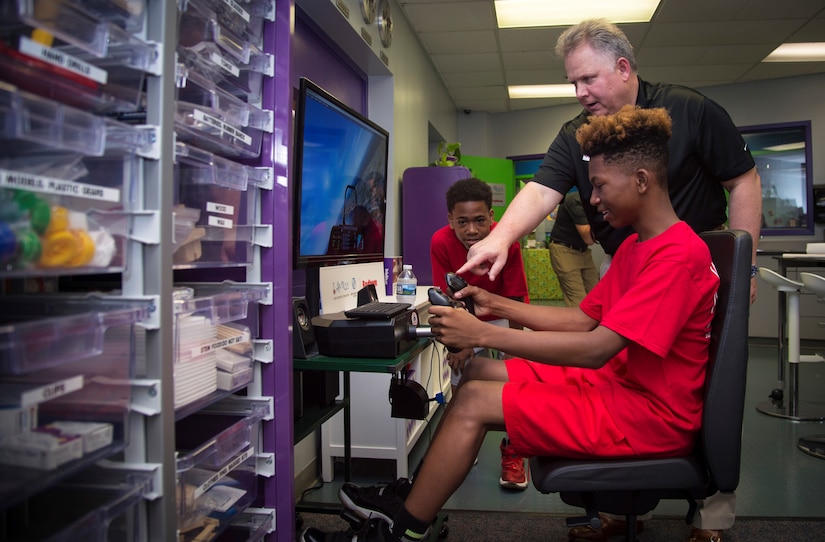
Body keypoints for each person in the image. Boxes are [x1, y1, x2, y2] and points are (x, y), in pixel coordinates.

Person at [301, 105, 720, 542]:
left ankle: (401, 532)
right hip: (619, 388)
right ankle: (412, 500)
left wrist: (483, 332)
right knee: (476, 370)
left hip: (648, 416)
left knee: (474, 401)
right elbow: (581, 319)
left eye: (599, 186)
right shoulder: (638, 246)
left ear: (641, 180)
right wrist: (493, 301)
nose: (593, 200)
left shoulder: (676, 256)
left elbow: (597, 348)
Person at [457, 19, 762, 542]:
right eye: (572, 83)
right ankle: (623, 512)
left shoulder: (689, 109)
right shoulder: (578, 131)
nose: (580, 93)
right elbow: (543, 190)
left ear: (623, 68)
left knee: (707, 390)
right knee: (626, 378)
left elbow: (743, 178)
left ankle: (712, 515)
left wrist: (745, 266)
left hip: (688, 271)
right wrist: (498, 240)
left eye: (588, 80)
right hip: (626, 262)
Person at [429, 176, 530, 490]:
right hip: (463, 312)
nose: (472, 230)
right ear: (450, 219)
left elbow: (514, 300)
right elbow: (446, 295)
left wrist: (513, 347)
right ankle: (460, 443)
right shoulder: (440, 241)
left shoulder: (507, 240)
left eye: (479, 220)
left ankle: (514, 451)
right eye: (462, 222)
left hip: (502, 313)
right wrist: (460, 343)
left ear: (491, 216)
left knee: (516, 381)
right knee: (461, 379)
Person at [548, 190, 599, 306]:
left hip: (583, 251)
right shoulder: (575, 200)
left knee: (596, 296)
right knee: (578, 301)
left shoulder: (599, 201)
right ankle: (580, 324)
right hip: (564, 250)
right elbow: (588, 238)